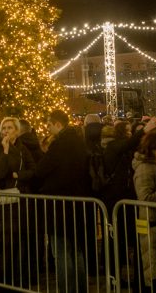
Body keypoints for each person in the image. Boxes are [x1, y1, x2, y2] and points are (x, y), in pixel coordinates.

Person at [34, 110, 90, 293]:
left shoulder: (59, 145)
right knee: (76, 251)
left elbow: (42, 169)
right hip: (76, 203)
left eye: (49, 124)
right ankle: (81, 288)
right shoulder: (78, 141)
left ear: (58, 124)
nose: (47, 128)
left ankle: (66, 288)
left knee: (61, 252)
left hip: (59, 205)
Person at [0, 117, 37, 289]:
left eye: (10, 128)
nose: (7, 131)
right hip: (5, 202)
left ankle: (21, 280)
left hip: (21, 201)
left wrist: (19, 175)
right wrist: (5, 151)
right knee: (6, 242)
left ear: (17, 131)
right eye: (4, 128)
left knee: (21, 242)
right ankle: (5, 281)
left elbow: (33, 170)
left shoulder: (24, 150)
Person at [132, 129, 156, 293]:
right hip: (148, 219)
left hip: (155, 220)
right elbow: (144, 196)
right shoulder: (145, 168)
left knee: (152, 261)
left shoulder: (155, 165)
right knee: (150, 262)